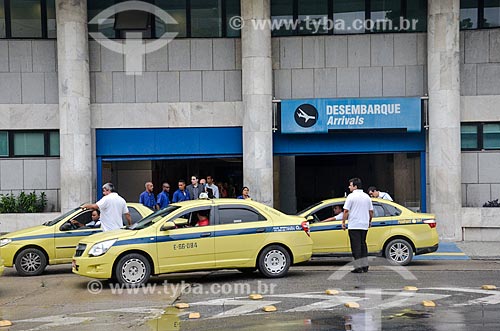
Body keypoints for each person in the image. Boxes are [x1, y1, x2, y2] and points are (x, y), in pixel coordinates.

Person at [342, 178, 373, 273]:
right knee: (363, 244)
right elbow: (371, 211)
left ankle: (358, 267)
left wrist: (343, 222)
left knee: (356, 246)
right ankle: (365, 266)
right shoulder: (367, 197)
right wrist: (369, 221)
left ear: (355, 186)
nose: (349, 187)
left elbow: (346, 210)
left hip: (354, 224)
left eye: (350, 185)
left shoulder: (351, 197)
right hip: (364, 224)